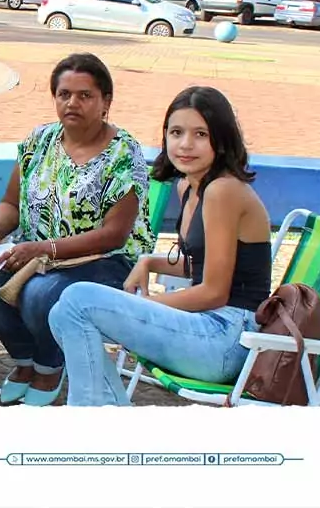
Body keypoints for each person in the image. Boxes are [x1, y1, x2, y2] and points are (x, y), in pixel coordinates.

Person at [49, 86, 270, 406]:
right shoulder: (189, 187)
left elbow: (215, 292)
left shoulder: (224, 191)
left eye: (200, 134)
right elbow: (206, 263)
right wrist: (150, 262)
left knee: (77, 298)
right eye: (176, 132)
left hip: (229, 338)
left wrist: (151, 304)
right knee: (62, 314)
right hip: (206, 329)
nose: (185, 144)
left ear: (220, 141)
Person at [0, 53, 154, 405]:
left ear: (105, 102)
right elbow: (10, 203)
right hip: (34, 257)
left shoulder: (124, 153)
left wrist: (42, 249)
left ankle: (50, 364)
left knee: (40, 294)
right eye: (64, 94)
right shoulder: (40, 141)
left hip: (107, 262)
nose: (73, 103)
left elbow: (115, 235)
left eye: (85, 95)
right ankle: (26, 359)